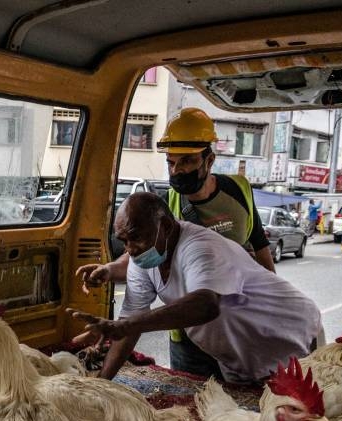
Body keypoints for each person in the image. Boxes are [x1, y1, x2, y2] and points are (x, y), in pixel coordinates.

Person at [77, 107, 276, 376]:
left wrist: (268, 307)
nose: (176, 170)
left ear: (209, 160)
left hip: (239, 325)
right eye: (171, 162)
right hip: (188, 331)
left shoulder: (239, 190)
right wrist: (110, 270)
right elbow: (144, 254)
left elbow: (260, 247)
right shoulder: (166, 203)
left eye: (187, 161)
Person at [69, 192, 322, 384]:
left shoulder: (200, 247)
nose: (130, 250)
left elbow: (205, 304)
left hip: (295, 341)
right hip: (242, 360)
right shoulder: (141, 260)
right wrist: (101, 382)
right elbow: (126, 328)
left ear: (166, 227)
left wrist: (125, 326)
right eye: (123, 241)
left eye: (136, 238)